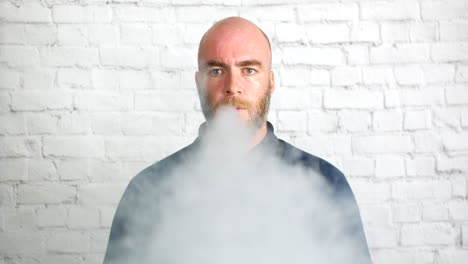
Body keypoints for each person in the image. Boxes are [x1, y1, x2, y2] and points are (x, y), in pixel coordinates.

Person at [103, 17, 372, 264]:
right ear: (199, 82)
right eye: (217, 71)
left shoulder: (326, 183)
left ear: (271, 81)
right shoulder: (148, 189)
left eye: (249, 70)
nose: (233, 86)